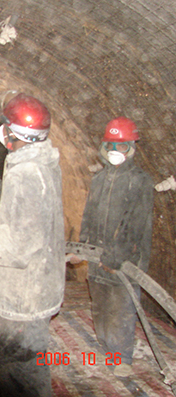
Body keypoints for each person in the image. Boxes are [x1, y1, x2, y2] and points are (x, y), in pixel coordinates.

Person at [0, 93, 65, 397]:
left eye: (6, 123)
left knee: (22, 371)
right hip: (37, 284)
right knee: (6, 363)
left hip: (25, 294)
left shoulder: (27, 174)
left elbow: (20, 244)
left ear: (15, 133)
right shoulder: (40, 164)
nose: (1, 129)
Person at [77, 117, 153, 377]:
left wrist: (115, 257)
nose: (115, 152)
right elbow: (88, 215)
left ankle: (122, 357)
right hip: (97, 258)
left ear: (132, 147)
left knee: (121, 307)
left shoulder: (140, 181)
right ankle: (107, 347)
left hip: (124, 261)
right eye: (111, 145)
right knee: (99, 305)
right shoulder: (99, 179)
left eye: (121, 146)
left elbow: (134, 225)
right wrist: (83, 248)